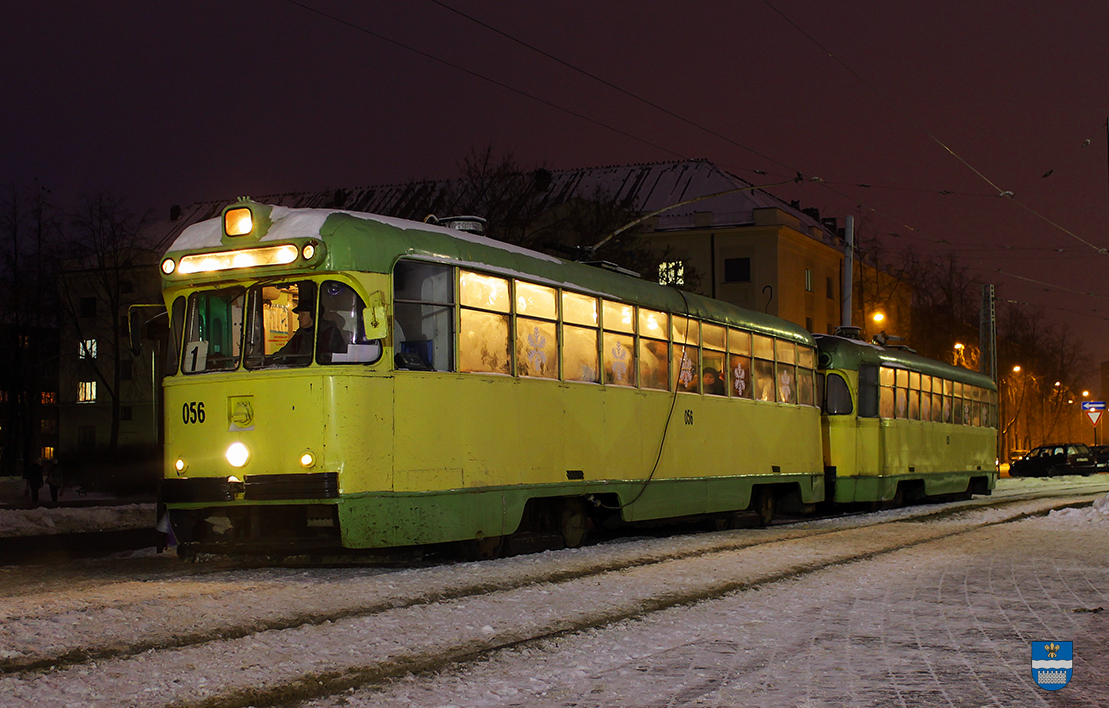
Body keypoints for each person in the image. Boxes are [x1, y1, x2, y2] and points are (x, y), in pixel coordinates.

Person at [272, 302, 345, 362]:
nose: (298, 318)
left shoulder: (329, 333)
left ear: (313, 315)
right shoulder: (299, 334)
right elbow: (284, 353)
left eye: (302, 314)